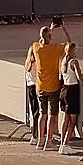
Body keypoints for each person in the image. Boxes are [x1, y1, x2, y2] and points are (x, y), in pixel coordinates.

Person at [24, 22, 67, 151]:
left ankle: (39, 139)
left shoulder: (36, 47)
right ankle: (48, 140)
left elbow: (41, 40)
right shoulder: (54, 49)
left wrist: (50, 30)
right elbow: (69, 44)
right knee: (52, 115)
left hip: (40, 87)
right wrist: (63, 29)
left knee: (42, 115)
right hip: (53, 86)